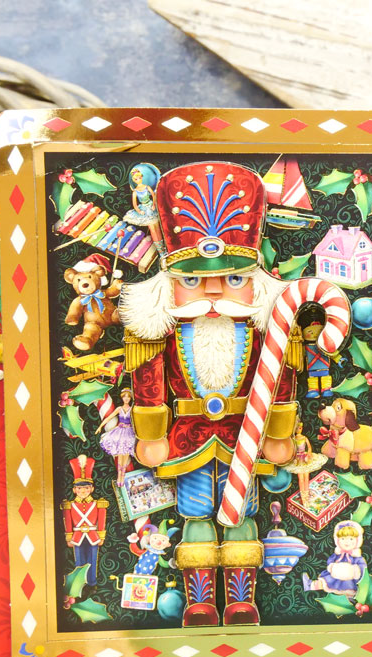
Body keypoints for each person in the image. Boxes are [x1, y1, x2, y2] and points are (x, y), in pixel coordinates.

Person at [119, 161, 301, 628]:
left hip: (246, 436)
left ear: (256, 281)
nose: (215, 291)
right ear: (169, 285)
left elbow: (280, 380)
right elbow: (148, 379)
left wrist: (279, 433)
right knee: (197, 516)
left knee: (242, 516)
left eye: (235, 278)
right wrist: (150, 433)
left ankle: (241, 602)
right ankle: (199, 603)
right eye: (192, 281)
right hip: (187, 437)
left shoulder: (266, 331)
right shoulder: (160, 332)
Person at [60, 455, 108, 589]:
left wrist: (101, 536)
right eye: (79, 489)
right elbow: (67, 521)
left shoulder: (98, 504)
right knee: (79, 560)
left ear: (91, 489)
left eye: (86, 488)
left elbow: (102, 519)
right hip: (77, 536)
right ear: (74, 490)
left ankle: (92, 582)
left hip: (93, 535)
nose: (83, 491)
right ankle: (80, 583)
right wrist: (68, 537)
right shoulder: (70, 505)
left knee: (93, 559)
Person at [302, 520, 367, 597]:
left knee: (348, 589)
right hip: (334, 576)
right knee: (325, 581)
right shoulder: (338, 554)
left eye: (351, 539)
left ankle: (349, 599)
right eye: (343, 539)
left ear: (358, 541)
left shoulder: (357, 557)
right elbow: (330, 561)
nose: (346, 542)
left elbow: (362, 567)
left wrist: (355, 571)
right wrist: (331, 566)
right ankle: (310, 586)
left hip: (349, 580)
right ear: (337, 540)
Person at [123, 163, 165, 259]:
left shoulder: (147, 187)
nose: (138, 180)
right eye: (136, 179)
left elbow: (153, 196)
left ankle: (163, 248)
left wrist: (153, 205)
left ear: (142, 177)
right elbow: (134, 204)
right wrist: (139, 211)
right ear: (134, 180)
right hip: (144, 210)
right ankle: (161, 252)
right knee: (152, 229)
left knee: (157, 227)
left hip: (151, 208)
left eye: (139, 178)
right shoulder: (135, 191)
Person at [96, 387, 136, 486]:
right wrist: (100, 427)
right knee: (120, 456)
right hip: (119, 432)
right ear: (122, 398)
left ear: (130, 398)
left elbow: (137, 421)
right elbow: (109, 418)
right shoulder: (119, 409)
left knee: (125, 456)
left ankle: (123, 476)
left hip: (129, 433)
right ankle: (119, 476)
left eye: (128, 397)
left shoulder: (132, 409)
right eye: (124, 397)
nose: (126, 399)